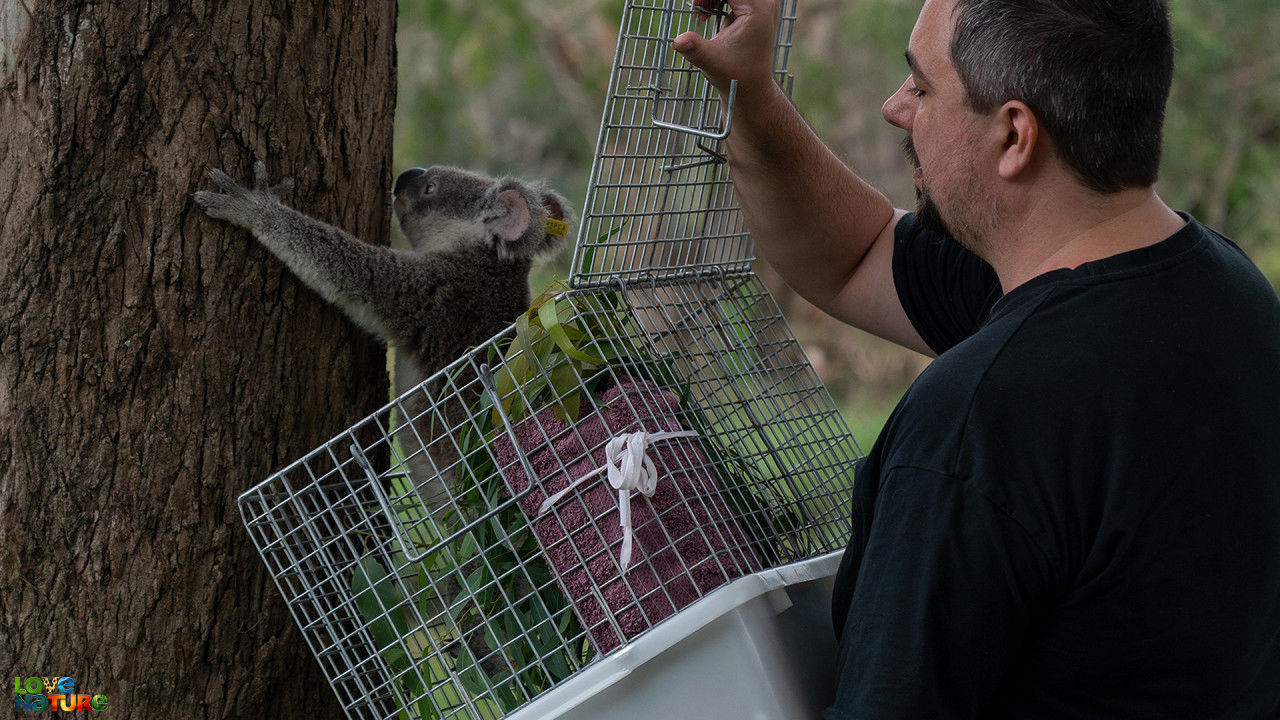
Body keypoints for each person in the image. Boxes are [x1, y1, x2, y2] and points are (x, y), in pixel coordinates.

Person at [674, 0, 1280, 717]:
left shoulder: (977, 426)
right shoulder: (1227, 293)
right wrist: (751, 91)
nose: (895, 107)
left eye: (923, 87)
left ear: (1015, 135)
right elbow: (859, 255)